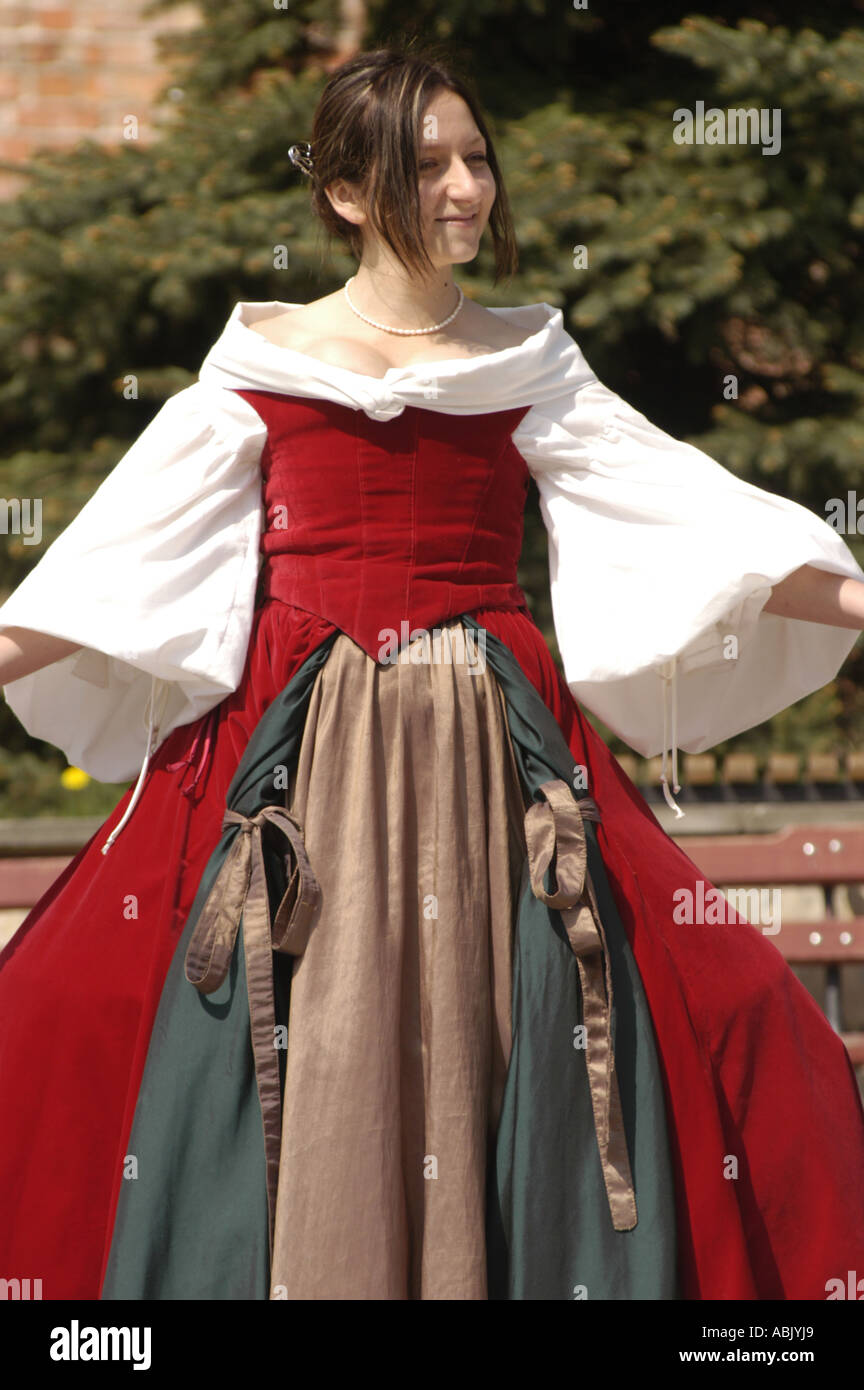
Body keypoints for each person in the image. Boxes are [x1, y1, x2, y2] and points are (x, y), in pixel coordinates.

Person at [1, 45, 863, 1303]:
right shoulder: (263, 365)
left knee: (707, 1008)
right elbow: (106, 566)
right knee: (81, 1012)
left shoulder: (527, 360)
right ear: (349, 193)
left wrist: (853, 594)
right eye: (429, 164)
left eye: (476, 159)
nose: (466, 188)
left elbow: (695, 517)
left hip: (495, 757)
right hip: (293, 756)